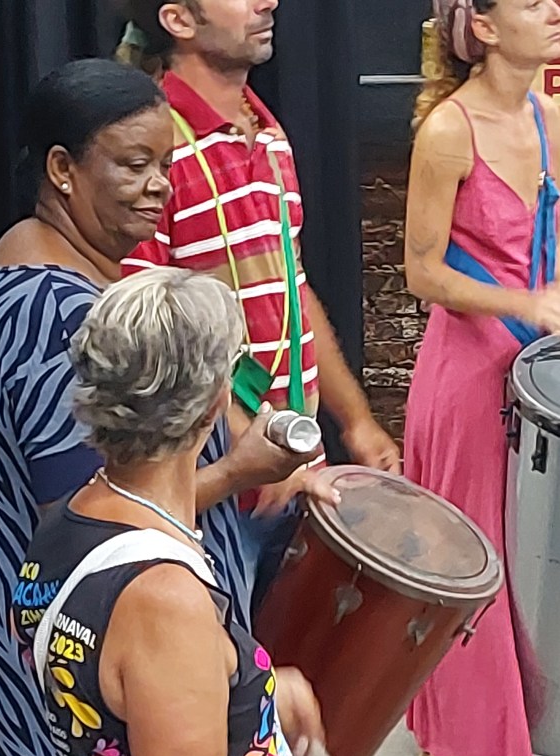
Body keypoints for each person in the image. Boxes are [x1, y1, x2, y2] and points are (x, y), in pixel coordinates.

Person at [0, 59, 326, 756]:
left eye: (165, 164)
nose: (158, 186)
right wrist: (235, 472)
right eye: (131, 164)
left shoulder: (46, 271)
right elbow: (92, 527)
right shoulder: (55, 314)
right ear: (61, 168)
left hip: (75, 665)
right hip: (93, 689)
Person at [23, 266, 407, 756]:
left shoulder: (74, 519)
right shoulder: (165, 601)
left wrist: (250, 691)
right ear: (207, 405)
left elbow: (117, 676)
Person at [117, 0, 401, 619]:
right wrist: (252, 449)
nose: (268, 2)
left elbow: (291, 288)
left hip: (289, 471)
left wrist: (354, 420)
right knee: (225, 668)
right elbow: (157, 333)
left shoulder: (268, 136)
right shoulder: (153, 148)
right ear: (178, 20)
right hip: (216, 482)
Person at [404, 0, 560, 756]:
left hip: (534, 361)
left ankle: (519, 724)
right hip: (468, 368)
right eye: (531, 2)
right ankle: (445, 739)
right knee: (468, 551)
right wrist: (522, 304)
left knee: (530, 548)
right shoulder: (446, 132)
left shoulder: (549, 118)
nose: (553, 10)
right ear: (486, 28)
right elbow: (422, 271)